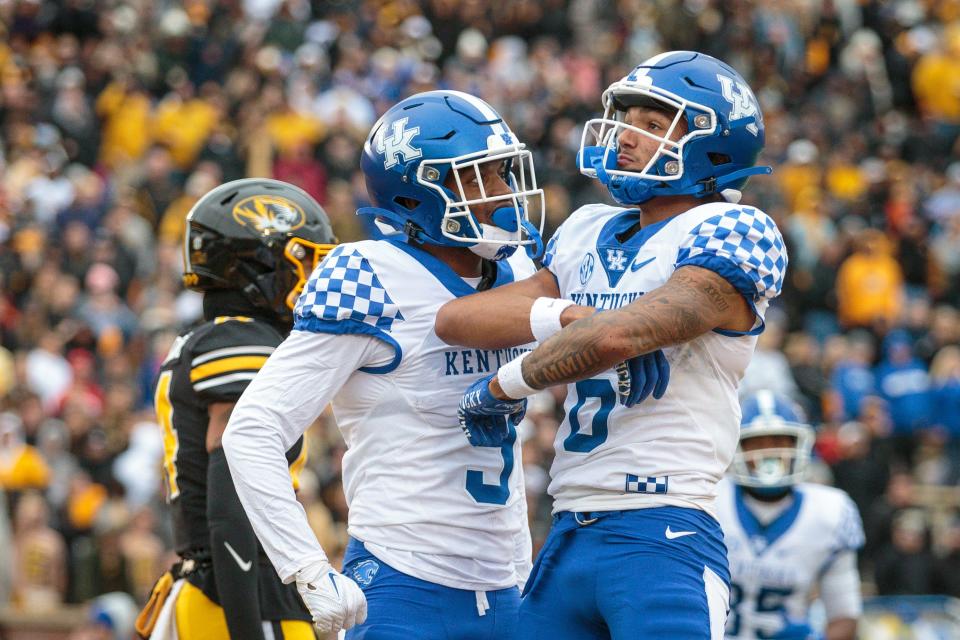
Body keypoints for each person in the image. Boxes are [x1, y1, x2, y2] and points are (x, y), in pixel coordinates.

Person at [435, 50, 787, 639]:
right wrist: (571, 314)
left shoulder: (733, 229)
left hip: (663, 530)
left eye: (653, 125)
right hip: (571, 527)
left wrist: (503, 385)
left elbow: (617, 336)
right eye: (627, 119)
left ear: (713, 145)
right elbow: (458, 319)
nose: (626, 137)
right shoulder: (586, 228)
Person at [222, 90, 545, 638]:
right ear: (419, 194)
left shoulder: (518, 265)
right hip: (403, 585)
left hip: (510, 584)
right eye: (478, 177)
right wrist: (304, 568)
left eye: (502, 172)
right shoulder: (367, 275)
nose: (502, 194)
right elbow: (252, 430)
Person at [135, 178, 337, 640]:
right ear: (258, 262)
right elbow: (233, 477)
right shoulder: (242, 338)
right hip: (242, 592)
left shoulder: (214, 336)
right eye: (303, 259)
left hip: (214, 588)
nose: (314, 277)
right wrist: (246, 621)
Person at [719, 391, 863, 640]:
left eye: (779, 441)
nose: (768, 452)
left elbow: (845, 616)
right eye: (758, 442)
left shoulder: (831, 512)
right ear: (738, 445)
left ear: (799, 445)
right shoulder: (709, 499)